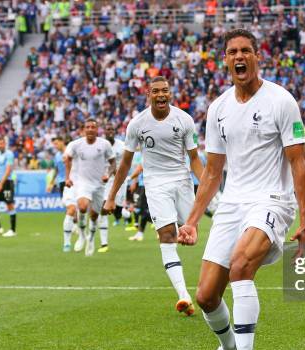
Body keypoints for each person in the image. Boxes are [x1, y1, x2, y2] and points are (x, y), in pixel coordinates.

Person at [177, 29, 305, 350]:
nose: (240, 56)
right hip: (232, 203)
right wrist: (191, 220)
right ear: (225, 59)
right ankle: (228, 346)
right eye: (233, 51)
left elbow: (298, 164)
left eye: (246, 51)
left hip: (270, 200)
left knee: (240, 266)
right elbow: (213, 173)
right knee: (205, 296)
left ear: (256, 57)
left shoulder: (281, 101)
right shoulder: (218, 109)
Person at [104, 76, 205, 316]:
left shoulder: (184, 120)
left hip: (182, 182)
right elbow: (125, 163)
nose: (161, 95)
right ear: (148, 94)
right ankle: (184, 295)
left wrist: (207, 185)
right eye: (156, 91)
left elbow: (194, 159)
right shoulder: (137, 124)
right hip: (155, 184)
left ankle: (210, 282)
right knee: (167, 236)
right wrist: (111, 197)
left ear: (170, 94)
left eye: (165, 91)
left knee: (192, 235)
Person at [64, 118, 116, 256]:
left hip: (99, 184)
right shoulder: (76, 145)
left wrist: (108, 174)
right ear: (84, 129)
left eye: (93, 127)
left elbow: (113, 163)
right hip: (82, 183)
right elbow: (67, 158)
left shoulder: (104, 144)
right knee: (81, 207)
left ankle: (91, 239)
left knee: (94, 216)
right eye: (88, 127)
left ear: (97, 129)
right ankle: (81, 235)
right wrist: (68, 177)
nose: (90, 129)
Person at [98, 123, 127, 253]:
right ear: (104, 132)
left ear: (114, 132)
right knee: (103, 209)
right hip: (106, 181)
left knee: (118, 211)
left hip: (120, 182)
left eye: (111, 129)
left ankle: (128, 216)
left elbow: (127, 162)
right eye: (107, 129)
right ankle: (104, 243)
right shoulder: (100, 146)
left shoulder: (121, 145)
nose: (109, 131)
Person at [48, 136, 79, 252]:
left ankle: (75, 227)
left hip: (75, 183)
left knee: (75, 208)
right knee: (69, 208)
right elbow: (56, 169)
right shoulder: (57, 156)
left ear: (62, 142)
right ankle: (72, 229)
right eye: (54, 144)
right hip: (63, 183)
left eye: (57, 143)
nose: (55, 146)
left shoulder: (71, 151)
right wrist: (51, 183)